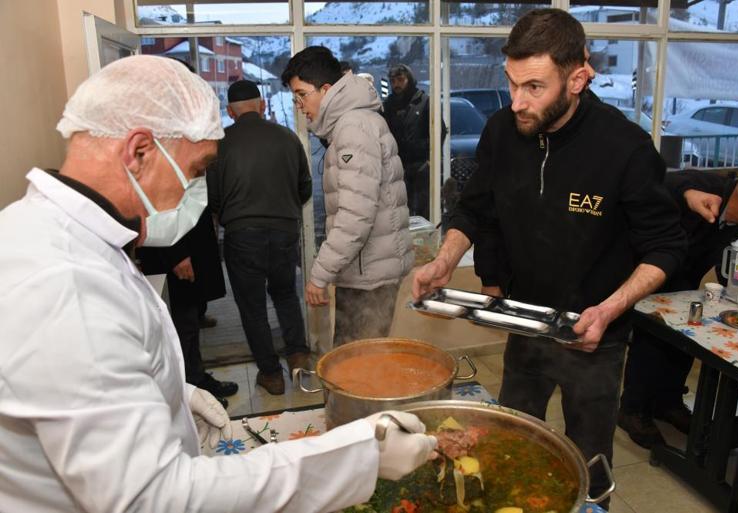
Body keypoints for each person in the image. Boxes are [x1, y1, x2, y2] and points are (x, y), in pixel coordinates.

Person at [0, 55, 436, 513]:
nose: (197, 191)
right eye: (196, 171)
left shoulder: (42, 234)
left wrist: (170, 392)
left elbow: (85, 379)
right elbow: (157, 499)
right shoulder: (66, 286)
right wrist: (358, 459)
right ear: (139, 152)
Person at [412, 9, 686, 508]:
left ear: (578, 77)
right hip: (526, 320)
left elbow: (666, 247)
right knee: (514, 441)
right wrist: (444, 261)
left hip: (594, 337)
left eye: (534, 87)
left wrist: (608, 310)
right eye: (512, 84)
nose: (517, 102)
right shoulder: (502, 130)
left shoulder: (624, 148)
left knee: (587, 460)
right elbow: (476, 209)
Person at [618, 165, 738, 448]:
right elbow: (651, 179)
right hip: (644, 271)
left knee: (686, 338)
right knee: (652, 337)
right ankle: (632, 409)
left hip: (686, 280)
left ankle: (669, 402)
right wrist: (686, 193)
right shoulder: (701, 185)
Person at [281, 47, 414, 346]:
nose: (300, 106)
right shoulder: (354, 122)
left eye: (302, 95)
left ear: (326, 90)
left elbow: (356, 217)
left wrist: (320, 273)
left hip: (369, 278)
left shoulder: (353, 127)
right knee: (360, 362)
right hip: (366, 270)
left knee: (356, 370)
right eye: (295, 98)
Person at [206, 79, 312, 396]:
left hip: (242, 235)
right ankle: (298, 359)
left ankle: (271, 375)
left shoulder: (220, 144)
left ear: (230, 111)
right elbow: (304, 188)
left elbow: (212, 197)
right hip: (284, 232)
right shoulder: (287, 137)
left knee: (251, 307)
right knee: (286, 296)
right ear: (262, 105)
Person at [137, 205, 238, 407]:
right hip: (172, 255)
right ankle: (188, 392)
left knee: (189, 323)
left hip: (188, 248)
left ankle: (196, 379)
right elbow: (157, 209)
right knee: (180, 327)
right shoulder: (159, 173)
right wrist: (176, 254)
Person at [382, 64, 435, 219]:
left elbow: (439, 132)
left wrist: (430, 158)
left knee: (423, 211)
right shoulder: (388, 106)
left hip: (421, 167)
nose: (396, 84)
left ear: (409, 79)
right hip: (395, 167)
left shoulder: (424, 102)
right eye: (393, 81)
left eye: (400, 79)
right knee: (397, 212)